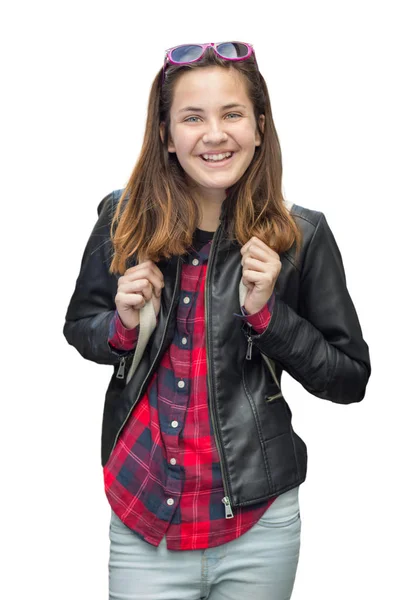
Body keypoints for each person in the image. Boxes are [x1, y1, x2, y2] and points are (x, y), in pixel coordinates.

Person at [63, 41, 371, 600]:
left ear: (258, 125)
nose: (214, 134)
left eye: (231, 114)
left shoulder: (303, 236)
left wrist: (267, 315)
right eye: (192, 117)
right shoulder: (123, 217)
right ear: (165, 133)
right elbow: (81, 325)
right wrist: (123, 325)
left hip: (260, 526)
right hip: (144, 516)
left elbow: (349, 378)